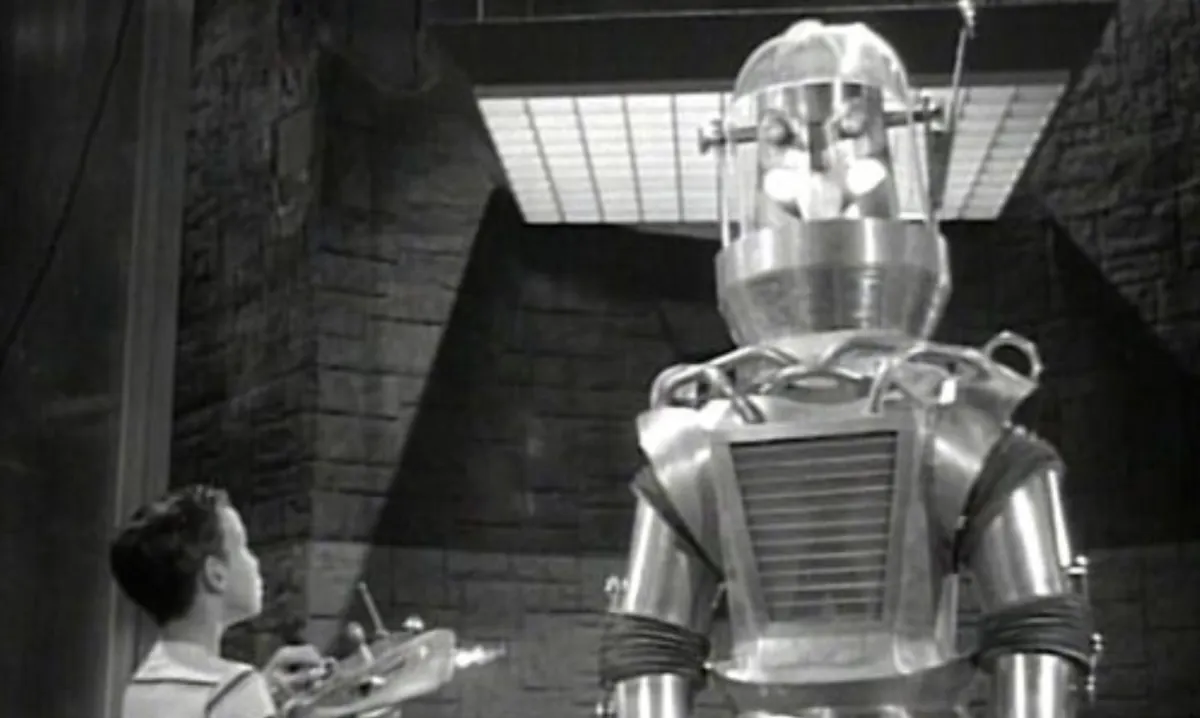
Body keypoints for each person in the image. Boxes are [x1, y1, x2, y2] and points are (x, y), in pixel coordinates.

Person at [110, 484, 326, 718]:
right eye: (243, 547)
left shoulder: (140, 685)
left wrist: (262, 694)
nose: (254, 562)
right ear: (216, 575)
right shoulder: (235, 690)